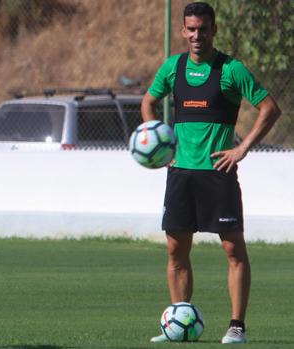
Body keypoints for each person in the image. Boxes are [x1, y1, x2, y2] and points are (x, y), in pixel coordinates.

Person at [141, 2, 281, 345]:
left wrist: (242, 148)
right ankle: (178, 321)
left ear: (214, 30)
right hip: (180, 174)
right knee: (176, 251)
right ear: (183, 31)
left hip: (218, 173)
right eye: (190, 29)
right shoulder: (173, 67)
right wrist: (159, 142)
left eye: (203, 29)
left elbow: (269, 108)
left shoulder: (231, 69)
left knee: (234, 251)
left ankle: (237, 327)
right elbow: (148, 101)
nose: (196, 35)